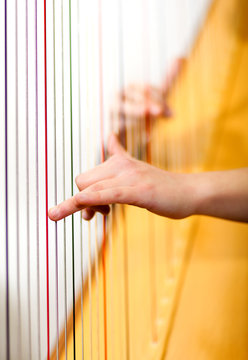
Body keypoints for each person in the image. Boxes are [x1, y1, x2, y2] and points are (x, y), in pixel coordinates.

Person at [48, 59, 248, 224]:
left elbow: (174, 189)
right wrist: (131, 140)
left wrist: (188, 189)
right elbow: (121, 211)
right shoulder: (195, 70)